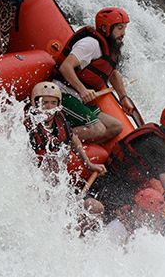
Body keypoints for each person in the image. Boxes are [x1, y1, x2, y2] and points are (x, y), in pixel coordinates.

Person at [87, 105, 165, 221]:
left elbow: (151, 153)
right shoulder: (160, 148)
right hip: (110, 189)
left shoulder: (156, 136)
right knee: (143, 214)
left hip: (112, 183)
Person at [53, 7, 135, 145]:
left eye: (125, 28)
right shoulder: (90, 44)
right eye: (120, 28)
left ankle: (76, 150)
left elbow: (113, 74)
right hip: (63, 94)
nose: (123, 33)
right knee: (97, 129)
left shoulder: (109, 48)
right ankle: (53, 141)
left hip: (78, 100)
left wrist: (123, 97)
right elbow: (65, 67)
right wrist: (82, 89)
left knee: (116, 126)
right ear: (104, 28)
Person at [23, 81, 107, 216]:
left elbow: (73, 138)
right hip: (37, 189)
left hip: (59, 187)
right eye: (44, 103)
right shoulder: (26, 129)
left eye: (53, 103)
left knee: (97, 208)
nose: (49, 108)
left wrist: (89, 164)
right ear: (35, 103)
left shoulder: (59, 120)